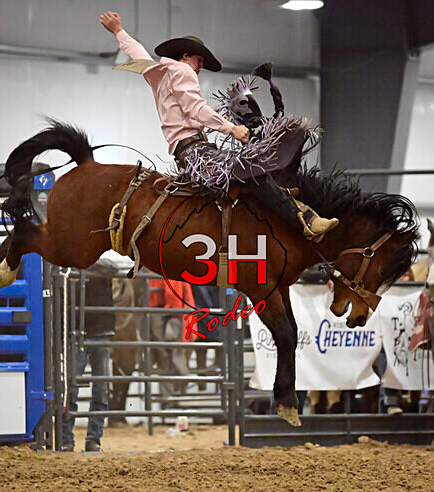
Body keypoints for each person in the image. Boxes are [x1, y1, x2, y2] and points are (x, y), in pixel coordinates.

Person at [99, 11, 338, 242]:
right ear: (185, 56)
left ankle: (282, 198)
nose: (200, 66)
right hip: (196, 152)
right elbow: (196, 108)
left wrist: (119, 31)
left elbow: (139, 55)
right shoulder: (183, 71)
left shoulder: (159, 73)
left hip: (185, 154)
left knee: (250, 175)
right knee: (253, 171)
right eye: (198, 59)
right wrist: (231, 128)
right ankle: (304, 220)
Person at [61, 258, 117, 453]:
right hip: (79, 332)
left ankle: (92, 439)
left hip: (98, 332)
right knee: (71, 388)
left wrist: (87, 263)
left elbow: (112, 268)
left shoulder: (97, 263)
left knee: (99, 388)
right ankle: (68, 440)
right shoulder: (69, 266)